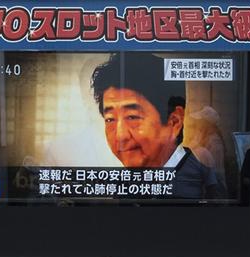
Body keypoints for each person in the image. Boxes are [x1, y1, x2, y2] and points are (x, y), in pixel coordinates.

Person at [91, 53, 223, 199]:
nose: (120, 136)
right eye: (110, 119)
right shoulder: (121, 185)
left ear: (174, 121)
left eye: (132, 117)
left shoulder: (200, 179)